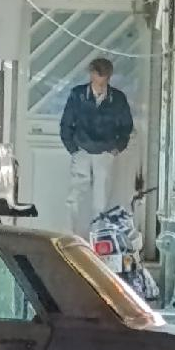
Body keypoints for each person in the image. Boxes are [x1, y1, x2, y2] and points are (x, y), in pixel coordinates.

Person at [60, 56, 134, 233]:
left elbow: (126, 126)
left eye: (104, 80)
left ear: (109, 77)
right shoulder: (78, 95)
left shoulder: (117, 98)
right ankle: (70, 235)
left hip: (104, 152)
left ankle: (97, 238)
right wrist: (73, 149)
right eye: (98, 80)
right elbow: (66, 123)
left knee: (101, 201)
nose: (100, 85)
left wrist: (118, 147)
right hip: (82, 150)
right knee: (75, 197)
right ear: (91, 75)